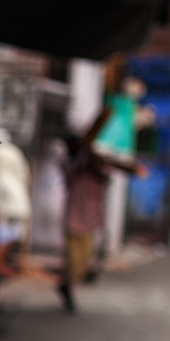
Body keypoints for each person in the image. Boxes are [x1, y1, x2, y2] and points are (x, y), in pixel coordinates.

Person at [59, 110, 146, 312]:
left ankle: (69, 285)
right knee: (72, 263)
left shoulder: (96, 163)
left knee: (83, 261)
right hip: (73, 218)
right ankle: (67, 287)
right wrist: (85, 153)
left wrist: (93, 154)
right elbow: (72, 169)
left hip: (90, 218)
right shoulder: (71, 164)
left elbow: (106, 170)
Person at [0, 128, 32, 277]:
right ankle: (6, 265)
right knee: (15, 234)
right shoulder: (15, 152)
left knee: (3, 233)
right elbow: (25, 174)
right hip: (17, 196)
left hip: (2, 195)